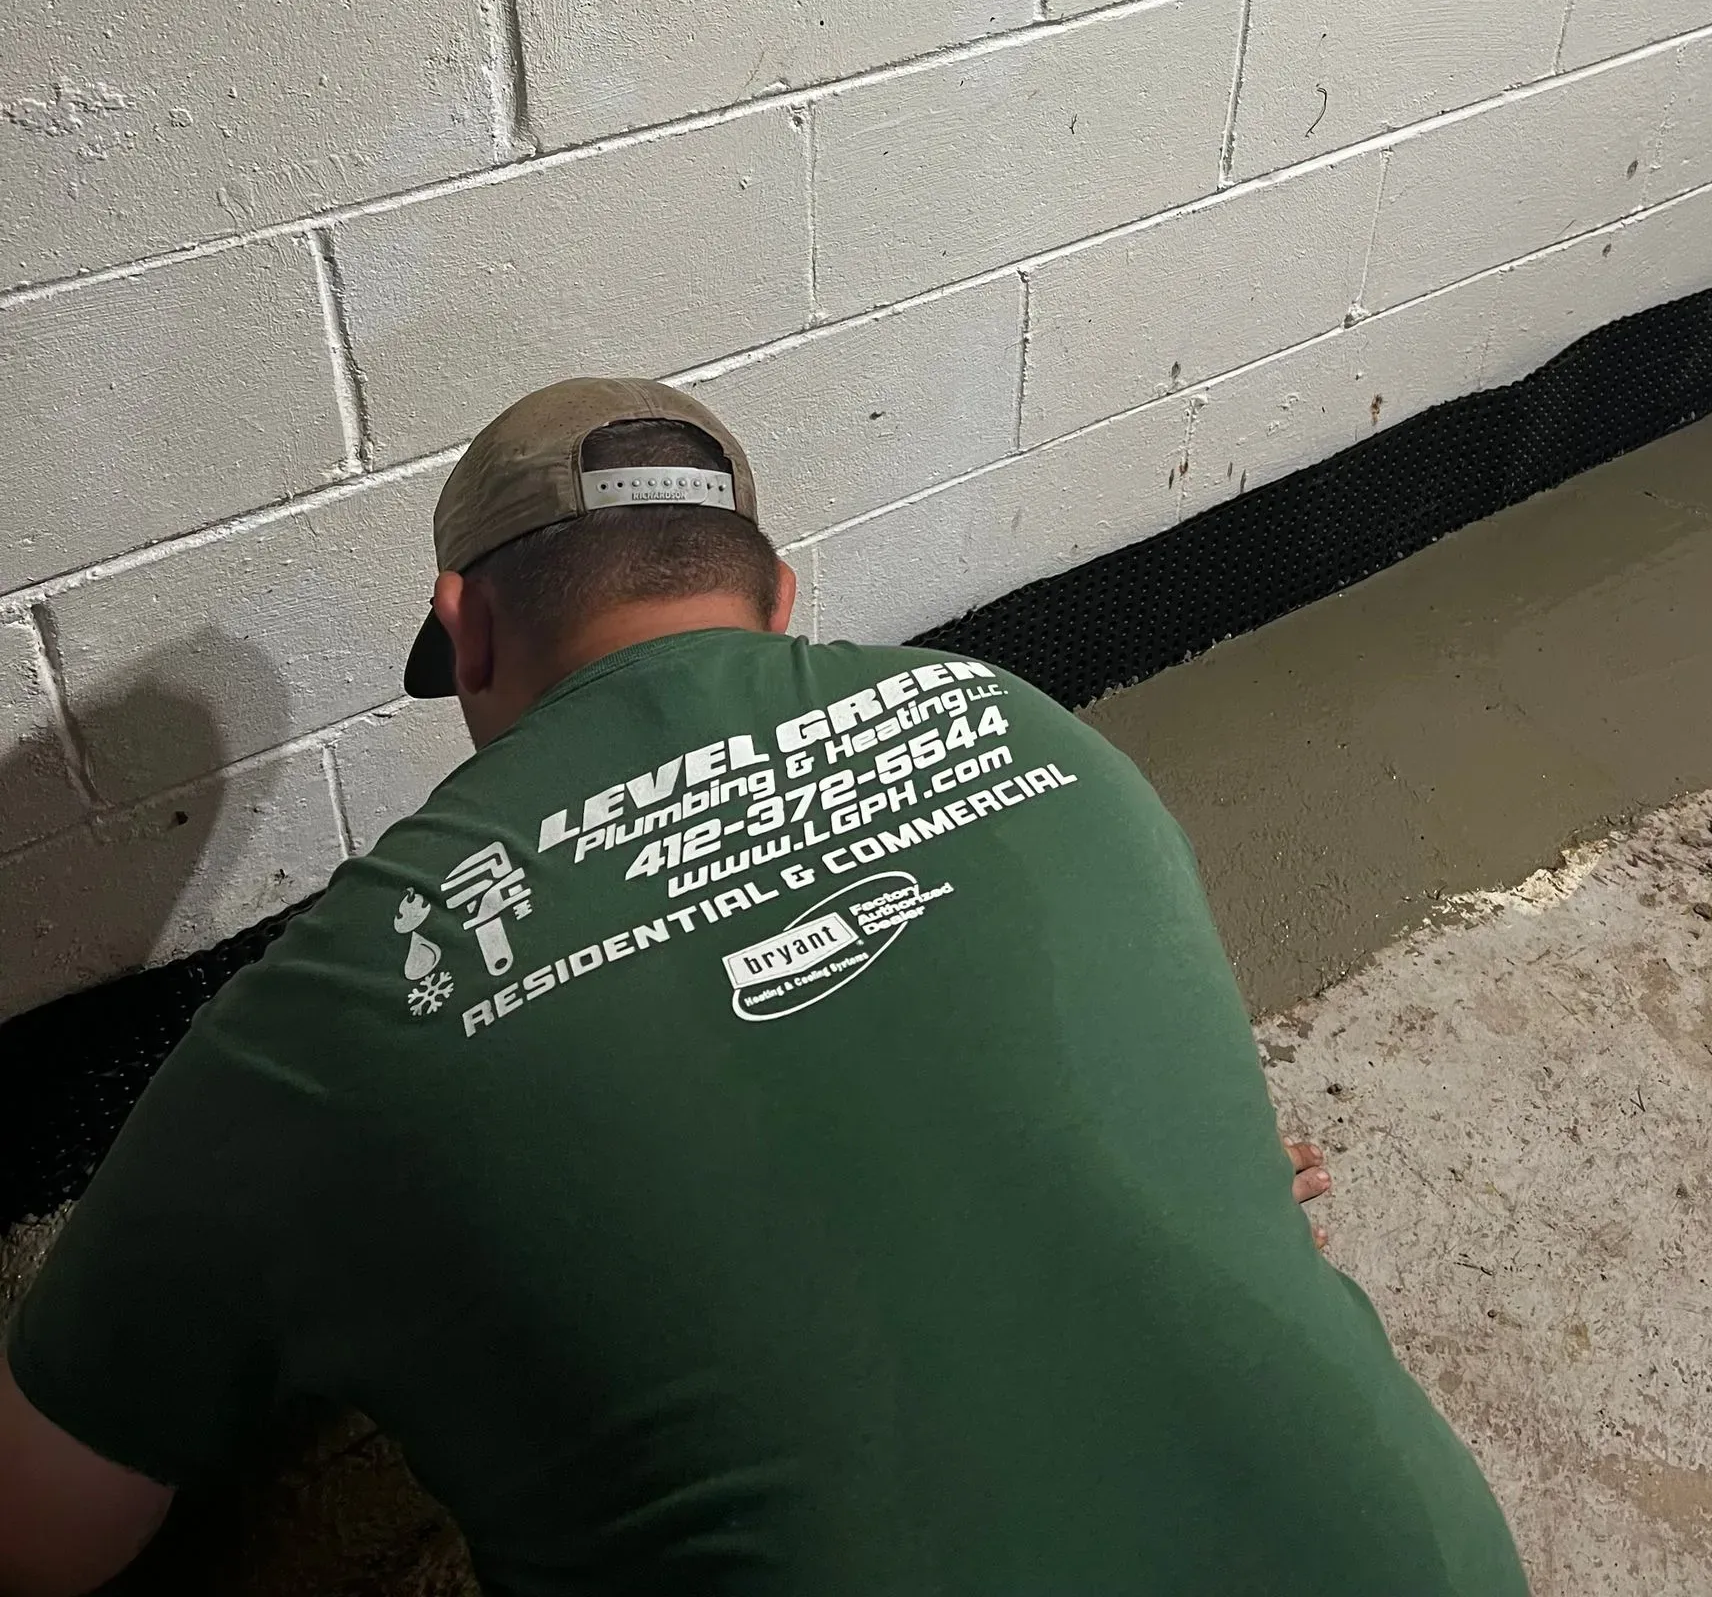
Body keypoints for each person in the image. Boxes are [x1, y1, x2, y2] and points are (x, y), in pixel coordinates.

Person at [0, 379, 1527, 1597]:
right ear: (780, 596)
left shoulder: (343, 995)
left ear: (466, 632)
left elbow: (42, 1534)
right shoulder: (1029, 728)